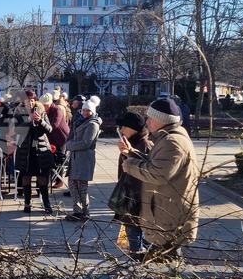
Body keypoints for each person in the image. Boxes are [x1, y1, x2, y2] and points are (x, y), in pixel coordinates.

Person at [120, 97, 200, 260]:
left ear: (162, 120)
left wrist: (130, 165)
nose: (147, 122)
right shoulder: (167, 137)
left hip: (169, 216)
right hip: (165, 213)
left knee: (166, 264)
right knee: (161, 262)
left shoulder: (173, 141)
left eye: (151, 118)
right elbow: (157, 163)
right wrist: (132, 153)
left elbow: (159, 174)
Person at [112, 111, 152, 257]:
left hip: (137, 196)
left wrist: (128, 153)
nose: (122, 130)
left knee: (134, 228)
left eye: (124, 127)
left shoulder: (144, 144)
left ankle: (138, 256)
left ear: (134, 128)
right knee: (132, 228)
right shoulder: (134, 142)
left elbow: (145, 170)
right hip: (130, 192)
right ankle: (140, 253)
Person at [64, 97, 101, 222]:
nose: (85, 113)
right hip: (76, 158)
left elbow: (86, 143)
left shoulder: (92, 124)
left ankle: (85, 212)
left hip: (84, 159)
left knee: (82, 187)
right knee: (73, 185)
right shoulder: (82, 121)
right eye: (84, 110)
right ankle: (77, 211)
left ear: (93, 111)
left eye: (88, 111)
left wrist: (69, 145)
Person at [14, 101, 55, 214]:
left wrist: (40, 120)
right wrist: (28, 120)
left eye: (32, 100)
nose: (30, 103)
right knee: (26, 176)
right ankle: (27, 204)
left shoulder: (41, 111)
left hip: (40, 150)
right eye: (27, 100)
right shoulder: (19, 113)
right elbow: (17, 130)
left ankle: (46, 204)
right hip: (25, 150)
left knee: (42, 177)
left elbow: (49, 130)